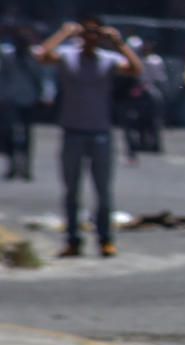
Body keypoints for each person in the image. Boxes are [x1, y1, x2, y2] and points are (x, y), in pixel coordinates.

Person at [36, 17, 143, 258]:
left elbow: (136, 69)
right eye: (88, 32)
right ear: (81, 35)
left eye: (96, 33)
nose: (91, 37)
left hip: (100, 134)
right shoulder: (67, 56)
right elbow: (42, 56)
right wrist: (63, 33)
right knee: (71, 191)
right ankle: (73, 239)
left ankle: (105, 239)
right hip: (72, 132)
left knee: (103, 192)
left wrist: (118, 43)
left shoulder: (108, 60)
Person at [0, 28, 43, 180]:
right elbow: (3, 78)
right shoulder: (8, 57)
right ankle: (12, 165)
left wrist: (42, 96)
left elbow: (40, 78)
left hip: (28, 99)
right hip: (10, 99)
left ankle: (26, 167)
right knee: (9, 134)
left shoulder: (33, 58)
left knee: (27, 135)